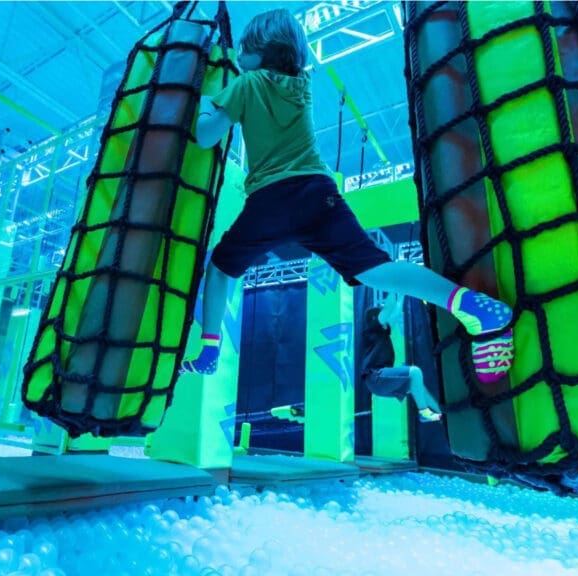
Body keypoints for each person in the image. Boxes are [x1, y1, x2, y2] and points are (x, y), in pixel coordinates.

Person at [179, 8, 514, 384]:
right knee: (374, 268)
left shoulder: (247, 83)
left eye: (243, 49)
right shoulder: (300, 86)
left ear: (261, 48)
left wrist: (206, 101)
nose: (238, 56)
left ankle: (209, 348)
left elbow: (206, 136)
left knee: (221, 268)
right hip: (317, 192)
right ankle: (467, 304)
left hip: (272, 198)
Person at [360, 295, 441, 422]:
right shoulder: (373, 329)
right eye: (383, 315)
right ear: (377, 318)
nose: (387, 318)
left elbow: (396, 311)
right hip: (375, 377)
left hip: (377, 383)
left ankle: (440, 412)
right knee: (415, 372)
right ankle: (423, 412)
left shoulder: (382, 332)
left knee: (416, 385)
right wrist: (395, 285)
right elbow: (390, 306)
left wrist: (402, 292)